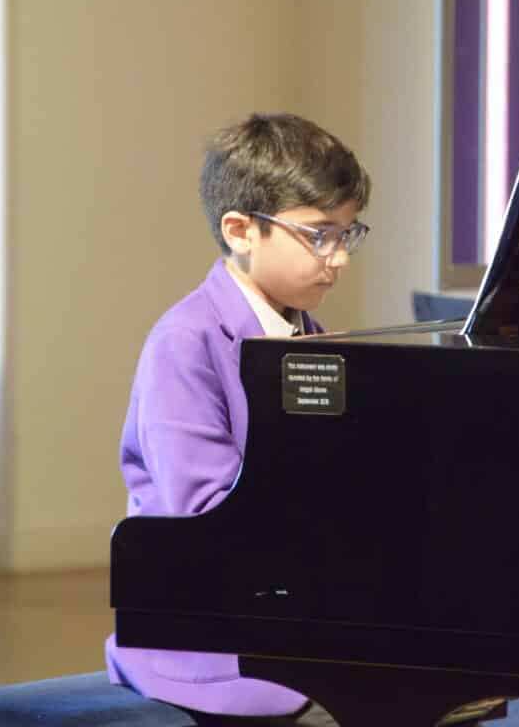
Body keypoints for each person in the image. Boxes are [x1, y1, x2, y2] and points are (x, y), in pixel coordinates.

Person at [106, 112, 371, 725]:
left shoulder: (310, 333)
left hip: (292, 604)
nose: (339, 258)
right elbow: (205, 511)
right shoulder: (185, 340)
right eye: (319, 235)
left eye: (348, 234)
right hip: (211, 627)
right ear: (240, 230)